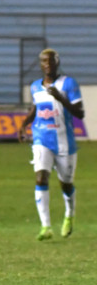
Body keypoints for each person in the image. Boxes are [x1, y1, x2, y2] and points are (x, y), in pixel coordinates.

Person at [18, 48, 84, 240]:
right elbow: (35, 108)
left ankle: (69, 216)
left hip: (65, 142)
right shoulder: (35, 86)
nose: (48, 65)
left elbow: (79, 113)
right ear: (41, 64)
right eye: (44, 62)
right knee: (41, 178)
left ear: (57, 62)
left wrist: (60, 97)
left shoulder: (68, 84)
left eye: (51, 61)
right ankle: (45, 226)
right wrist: (23, 124)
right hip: (41, 140)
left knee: (66, 184)